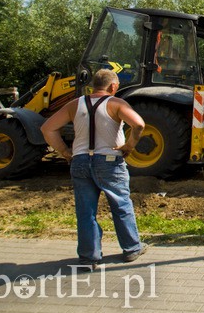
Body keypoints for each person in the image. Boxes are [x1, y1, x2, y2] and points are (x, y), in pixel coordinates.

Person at [41, 68, 148, 268]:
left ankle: (89, 257)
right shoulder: (116, 103)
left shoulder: (75, 104)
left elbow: (47, 128)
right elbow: (139, 124)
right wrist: (129, 146)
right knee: (121, 205)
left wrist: (64, 151)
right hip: (109, 162)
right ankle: (132, 248)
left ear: (93, 85)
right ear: (113, 86)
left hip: (80, 161)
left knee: (86, 211)